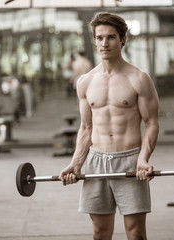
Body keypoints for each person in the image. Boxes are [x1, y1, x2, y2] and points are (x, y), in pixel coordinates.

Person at [59, 12, 159, 240]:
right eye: (100, 37)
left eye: (111, 37)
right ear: (94, 40)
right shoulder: (85, 82)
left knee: (136, 233)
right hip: (96, 162)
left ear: (123, 39)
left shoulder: (138, 78)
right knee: (100, 232)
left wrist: (143, 159)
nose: (105, 43)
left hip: (129, 161)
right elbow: (86, 128)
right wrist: (76, 164)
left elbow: (151, 122)